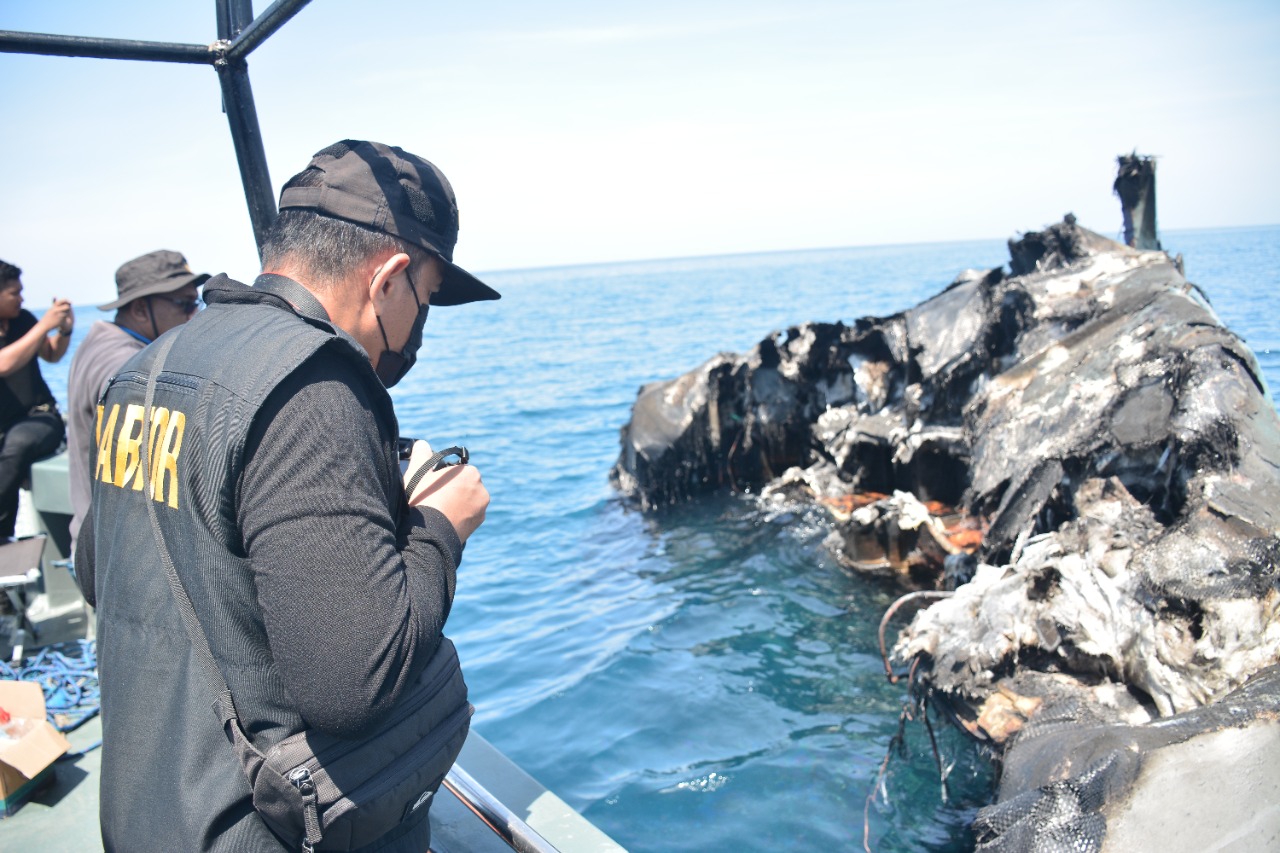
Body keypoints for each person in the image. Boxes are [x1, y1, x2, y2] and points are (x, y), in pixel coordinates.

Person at [75, 140, 498, 852]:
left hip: (146, 812)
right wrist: (439, 525)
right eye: (425, 300)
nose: (420, 329)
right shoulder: (314, 388)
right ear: (389, 279)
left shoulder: (149, 367)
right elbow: (356, 683)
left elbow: (98, 570)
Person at [65, 249, 209, 550]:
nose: (194, 316)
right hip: (116, 551)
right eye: (184, 305)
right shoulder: (128, 367)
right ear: (141, 310)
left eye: (197, 304)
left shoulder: (99, 342)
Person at [0, 260, 73, 541]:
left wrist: (63, 330)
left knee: (16, 446)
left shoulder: (24, 320)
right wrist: (44, 325)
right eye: (14, 293)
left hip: (39, 416)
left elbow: (52, 354)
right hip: (6, 424)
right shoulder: (35, 323)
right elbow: (3, 364)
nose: (21, 298)